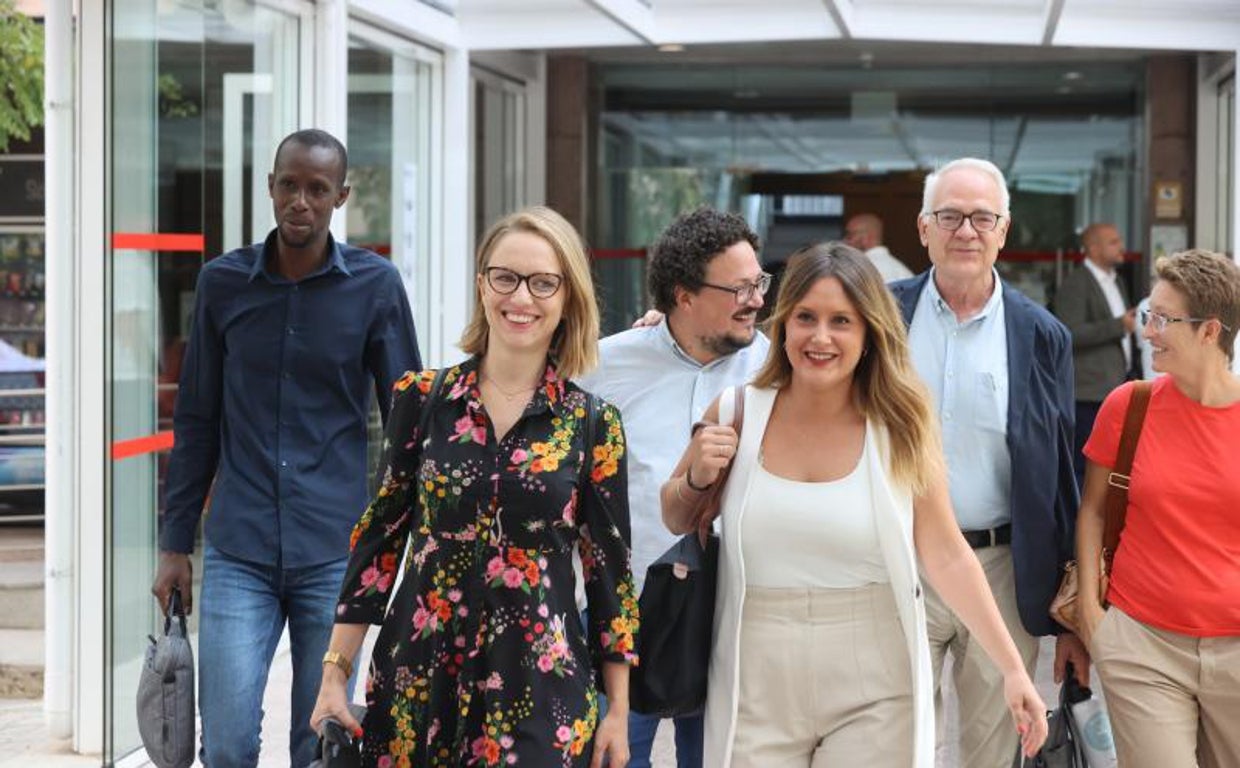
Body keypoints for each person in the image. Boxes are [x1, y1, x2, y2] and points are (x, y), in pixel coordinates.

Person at [661, 242, 1047, 767]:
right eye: (806, 318)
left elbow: (945, 551)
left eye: (841, 321)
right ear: (783, 325)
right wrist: (697, 476)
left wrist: (1012, 668)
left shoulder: (900, 427)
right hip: (754, 673)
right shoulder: (736, 411)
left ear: (869, 334)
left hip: (876, 677)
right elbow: (675, 515)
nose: (820, 337)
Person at [310, 206, 639, 768]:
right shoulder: (421, 399)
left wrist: (618, 712)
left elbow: (610, 574)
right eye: (505, 277)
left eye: (543, 283)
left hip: (541, 689)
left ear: (567, 300)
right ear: (482, 284)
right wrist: (334, 674)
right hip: (419, 674)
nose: (521, 298)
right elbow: (379, 546)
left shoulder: (593, 424)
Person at [150, 129, 421, 768]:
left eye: (317, 189)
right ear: (271, 187)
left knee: (320, 740)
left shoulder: (376, 287)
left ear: (341, 197)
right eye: (290, 185)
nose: (301, 201)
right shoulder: (223, 285)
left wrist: (395, 540)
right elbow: (196, 420)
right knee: (227, 741)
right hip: (239, 548)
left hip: (333, 552)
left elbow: (408, 419)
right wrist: (173, 544)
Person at [887, 157, 1088, 768]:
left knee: (994, 746)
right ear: (924, 229)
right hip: (899, 560)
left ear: (1004, 230)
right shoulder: (879, 317)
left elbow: (1060, 475)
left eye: (982, 217)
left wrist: (1072, 615)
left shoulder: (1042, 334)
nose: (965, 231)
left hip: (1003, 568)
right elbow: (798, 354)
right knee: (895, 739)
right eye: (950, 216)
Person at [577, 207, 771, 768]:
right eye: (739, 288)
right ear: (683, 297)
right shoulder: (604, 366)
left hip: (730, 621)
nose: (756, 299)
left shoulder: (778, 371)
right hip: (622, 616)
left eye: (758, 282)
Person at [1076, 249, 1240, 768]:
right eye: (1149, 315)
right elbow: (1094, 512)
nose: (1148, 331)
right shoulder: (1130, 405)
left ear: (1210, 331)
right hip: (1141, 644)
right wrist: (1089, 614)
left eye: (1163, 319)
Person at [1053, 222, 1136, 487]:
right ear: (1093, 249)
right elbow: (1069, 332)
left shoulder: (1118, 281)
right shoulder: (1076, 283)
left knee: (1113, 465)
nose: (1121, 246)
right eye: (1113, 242)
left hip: (1115, 387)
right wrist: (1118, 326)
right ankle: (1081, 524)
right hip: (1089, 395)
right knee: (1086, 468)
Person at [844, 212, 914, 282]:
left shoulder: (869, 268)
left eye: (850, 235)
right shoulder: (893, 266)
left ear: (866, 238)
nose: (845, 241)